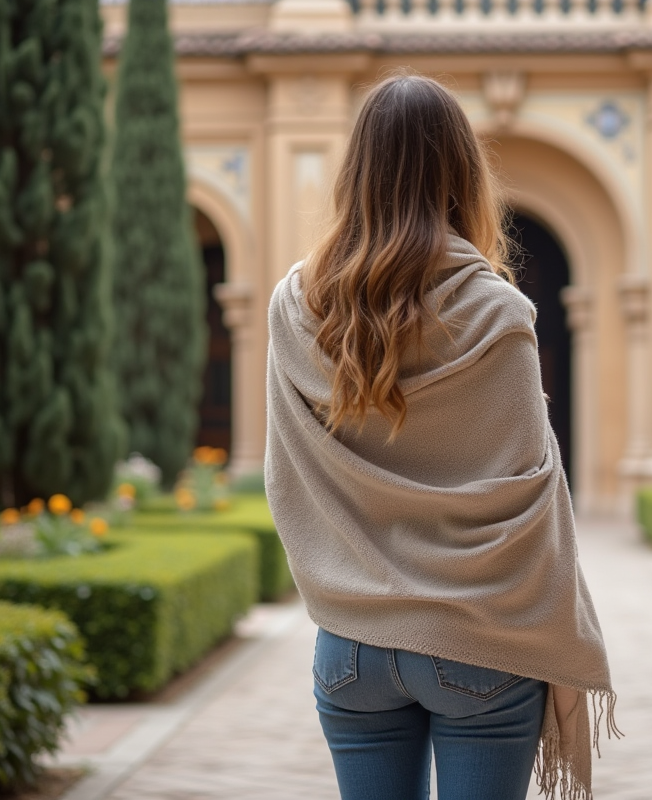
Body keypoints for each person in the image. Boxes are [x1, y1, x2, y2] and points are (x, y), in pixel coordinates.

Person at [264, 72, 616, 800]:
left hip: (352, 643)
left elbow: (283, 476)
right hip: (478, 643)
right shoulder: (500, 312)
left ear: (356, 172)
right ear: (462, 172)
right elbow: (528, 492)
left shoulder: (295, 305)